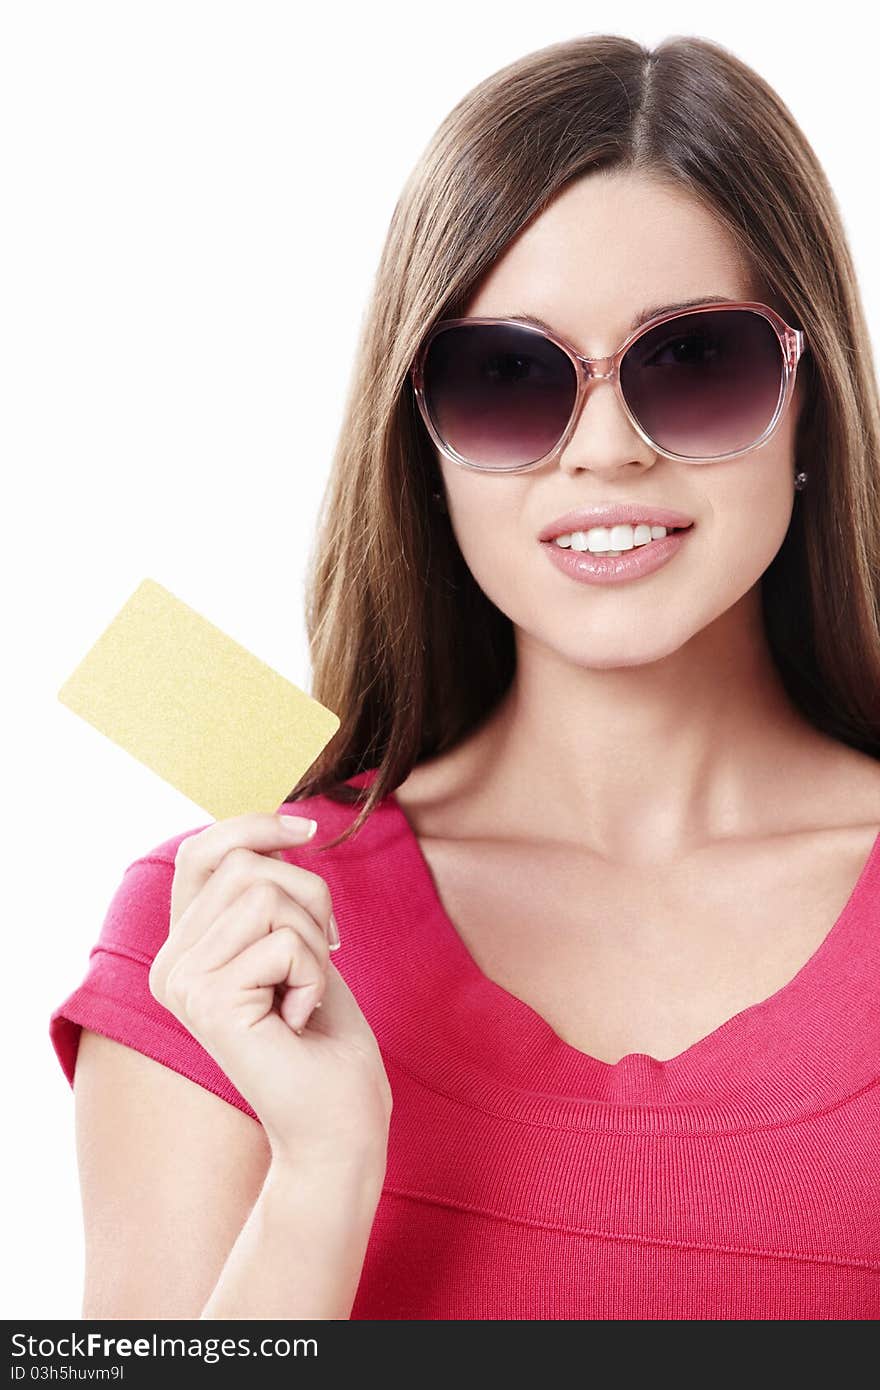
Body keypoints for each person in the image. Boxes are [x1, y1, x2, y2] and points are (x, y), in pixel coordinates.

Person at [50, 32, 880, 1321]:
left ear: (811, 399)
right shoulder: (221, 936)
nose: (604, 450)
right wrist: (323, 1176)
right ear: (420, 444)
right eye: (506, 379)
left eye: (696, 365)